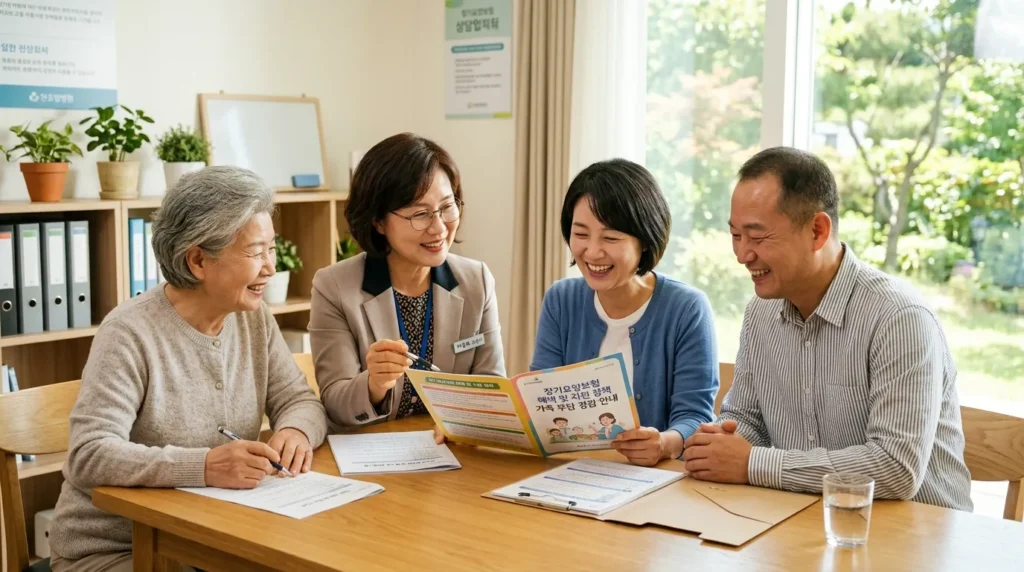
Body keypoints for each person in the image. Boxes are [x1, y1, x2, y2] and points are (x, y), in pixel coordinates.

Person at [48, 167, 328, 571]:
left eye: (272, 248)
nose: (271, 266)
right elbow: (90, 454)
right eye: (256, 252)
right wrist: (205, 466)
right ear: (198, 260)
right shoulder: (129, 332)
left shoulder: (252, 316)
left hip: (215, 538)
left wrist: (295, 430)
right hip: (117, 550)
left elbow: (299, 399)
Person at [682, 147, 973, 511]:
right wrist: (720, 443)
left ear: (817, 231)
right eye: (735, 235)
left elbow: (896, 468)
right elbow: (746, 417)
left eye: (756, 237)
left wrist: (752, 463)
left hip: (918, 539)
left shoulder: (899, 316)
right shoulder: (760, 312)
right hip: (804, 521)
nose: (742, 255)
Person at [531, 158, 719, 467]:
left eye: (610, 237)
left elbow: (695, 416)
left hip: (655, 481)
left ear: (644, 239)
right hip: (572, 472)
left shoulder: (687, 308)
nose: (592, 252)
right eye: (580, 234)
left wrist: (663, 443)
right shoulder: (560, 300)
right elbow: (541, 399)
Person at [310, 133, 505, 429]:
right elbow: (335, 403)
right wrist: (373, 384)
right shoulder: (334, 287)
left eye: (446, 206)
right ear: (378, 221)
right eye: (420, 214)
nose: (439, 227)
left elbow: (492, 385)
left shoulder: (476, 280)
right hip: (372, 454)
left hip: (453, 452)